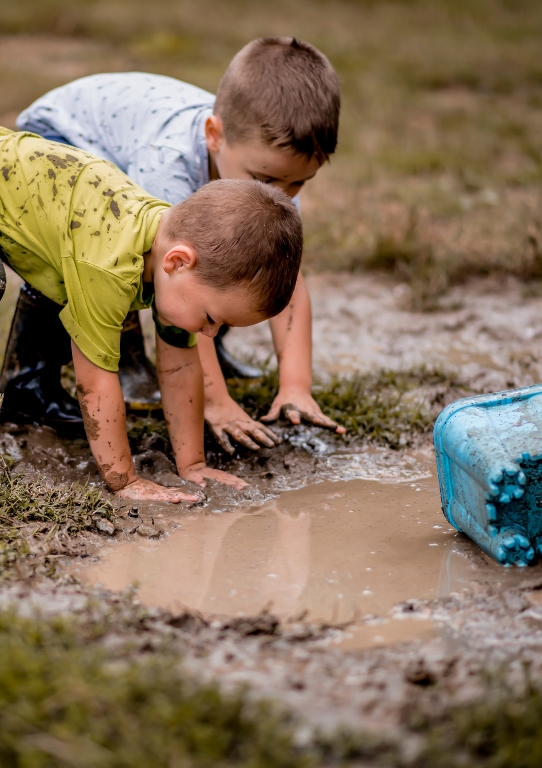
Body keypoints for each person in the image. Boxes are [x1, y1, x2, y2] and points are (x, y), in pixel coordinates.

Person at [12, 36, 346, 449]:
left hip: (119, 147)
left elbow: (282, 277)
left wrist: (296, 385)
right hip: (62, 140)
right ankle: (39, 380)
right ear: (214, 135)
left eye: (299, 182)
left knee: (232, 269)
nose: (284, 192)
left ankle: (208, 357)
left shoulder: (263, 165)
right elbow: (178, 280)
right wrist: (215, 402)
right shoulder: (168, 164)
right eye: (266, 180)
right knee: (102, 263)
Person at [0, 127, 302, 502]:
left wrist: (192, 466)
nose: (210, 333)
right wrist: (125, 481)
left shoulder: (170, 257)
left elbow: (180, 367)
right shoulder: (108, 265)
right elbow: (94, 382)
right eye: (211, 317)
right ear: (179, 261)